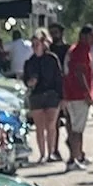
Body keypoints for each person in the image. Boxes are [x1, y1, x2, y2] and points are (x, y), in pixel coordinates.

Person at [23, 29, 64, 164]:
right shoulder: (29, 62)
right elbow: (25, 79)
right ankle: (42, 154)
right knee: (39, 127)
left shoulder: (52, 59)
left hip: (52, 94)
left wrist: (61, 97)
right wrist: (30, 82)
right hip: (37, 95)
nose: (35, 47)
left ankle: (51, 152)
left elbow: (59, 77)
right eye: (33, 44)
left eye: (37, 44)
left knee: (51, 125)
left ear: (44, 44)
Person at [61, 24, 93, 168]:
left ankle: (78, 155)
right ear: (84, 36)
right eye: (91, 36)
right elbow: (79, 73)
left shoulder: (76, 50)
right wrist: (86, 92)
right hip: (77, 95)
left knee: (75, 126)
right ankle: (74, 158)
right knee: (76, 129)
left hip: (71, 94)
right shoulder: (80, 51)